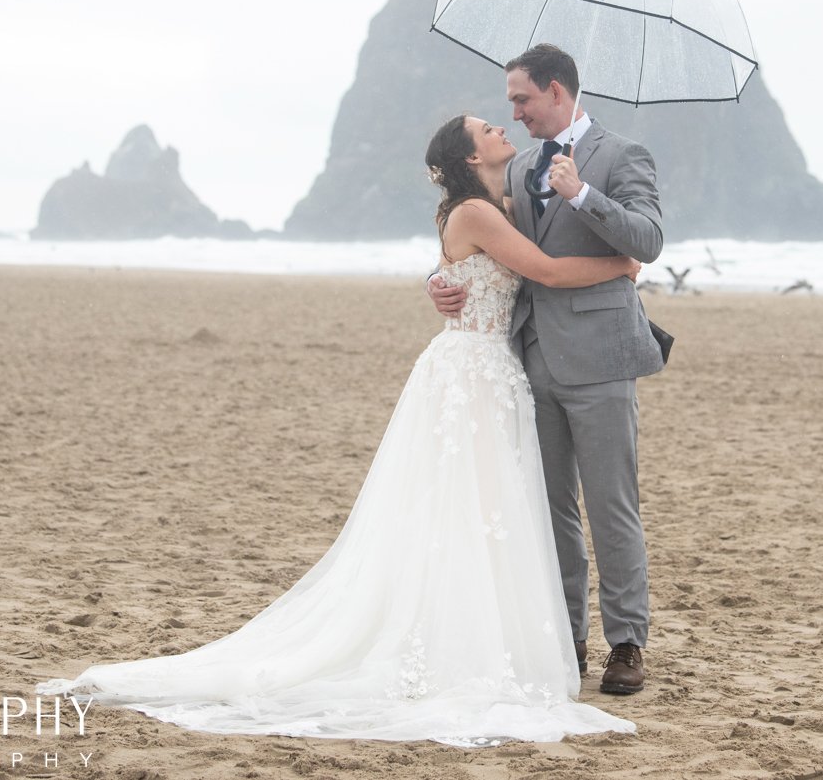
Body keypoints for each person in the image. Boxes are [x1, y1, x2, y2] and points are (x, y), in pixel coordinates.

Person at [35, 114, 639, 747]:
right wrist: (618, 268)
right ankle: (461, 643)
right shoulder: (474, 211)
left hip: (492, 371)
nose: (498, 125)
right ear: (467, 157)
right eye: (487, 126)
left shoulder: (501, 201)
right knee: (468, 507)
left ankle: (489, 634)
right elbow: (540, 269)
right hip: (472, 372)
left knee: (485, 510)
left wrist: (440, 276)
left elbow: (486, 255)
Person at [428, 44, 664, 696]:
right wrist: (438, 281)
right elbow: (484, 251)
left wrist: (582, 193)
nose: (514, 110)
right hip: (529, 360)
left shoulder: (622, 157)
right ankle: (565, 637)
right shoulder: (519, 167)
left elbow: (646, 242)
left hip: (600, 356)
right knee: (551, 507)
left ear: (556, 91)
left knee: (612, 503)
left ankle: (626, 643)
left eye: (521, 98)